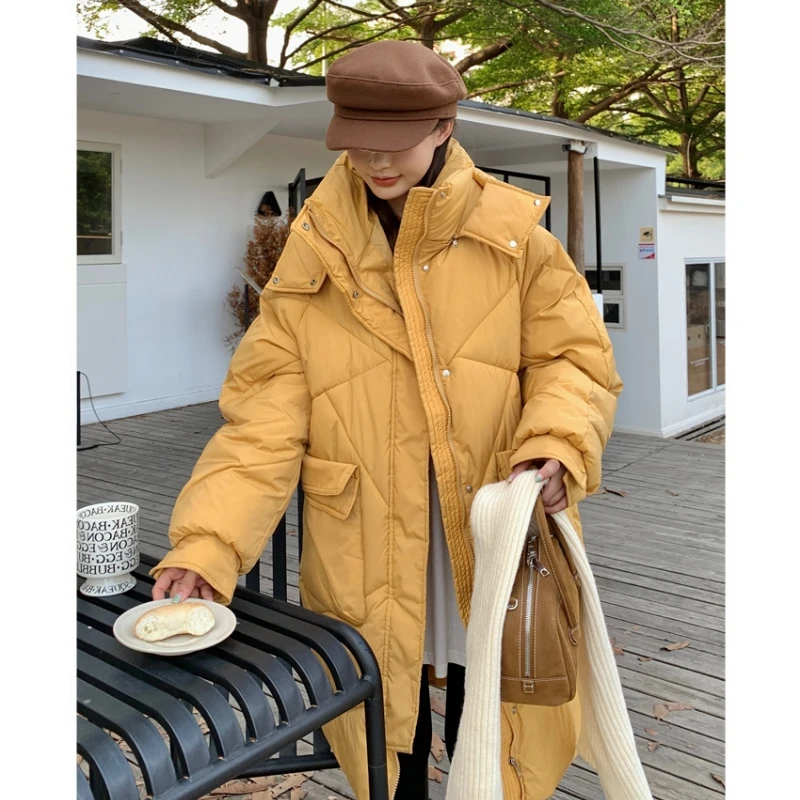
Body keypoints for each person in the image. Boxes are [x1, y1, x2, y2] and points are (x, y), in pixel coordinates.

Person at [151, 39, 623, 800]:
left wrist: (556, 446)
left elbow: (576, 361)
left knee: (496, 728)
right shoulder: (312, 251)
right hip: (366, 537)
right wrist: (208, 545)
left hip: (493, 530)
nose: (375, 163)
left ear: (444, 127)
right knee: (385, 744)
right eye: (356, 143)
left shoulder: (520, 240)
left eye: (394, 144)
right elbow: (262, 419)